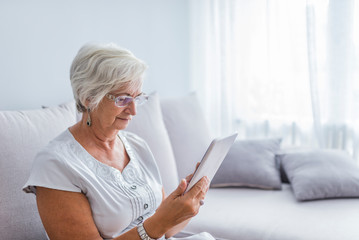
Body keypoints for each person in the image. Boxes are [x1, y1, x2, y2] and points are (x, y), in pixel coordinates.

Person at [23, 43, 215, 240]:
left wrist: (190, 201)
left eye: (137, 98)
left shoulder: (137, 146)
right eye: (123, 99)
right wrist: (159, 223)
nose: (134, 111)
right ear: (88, 97)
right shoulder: (55, 164)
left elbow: (166, 230)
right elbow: (159, 225)